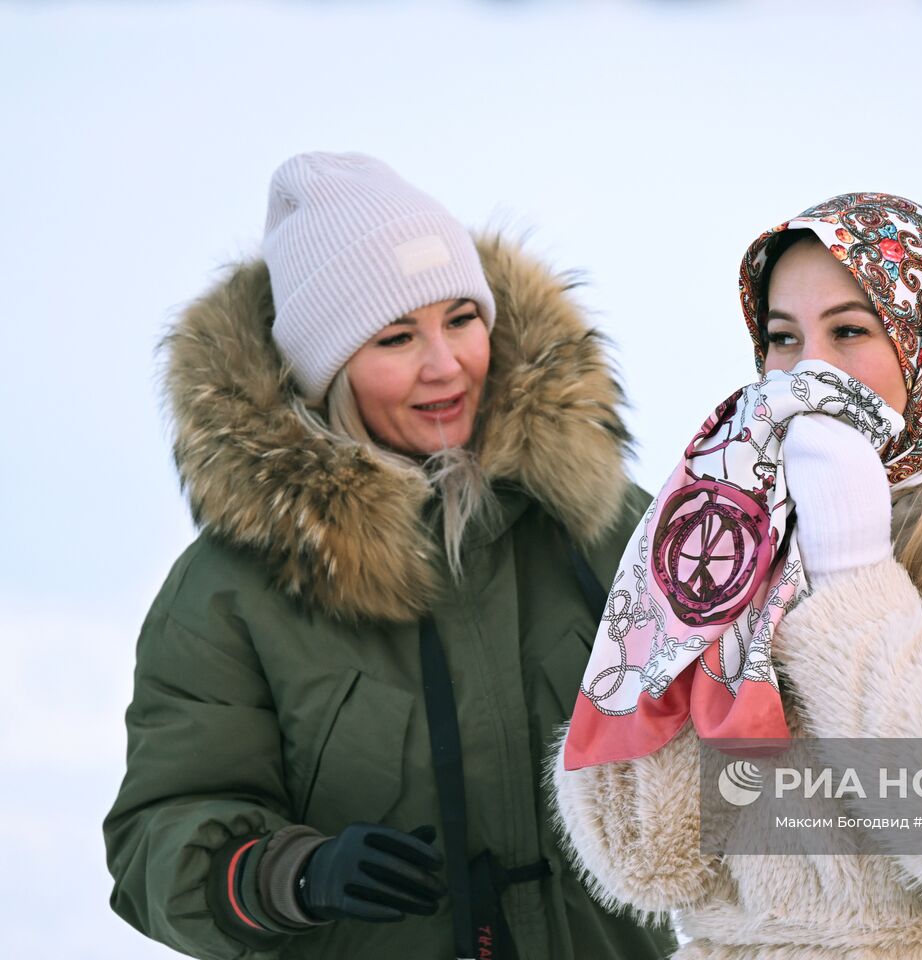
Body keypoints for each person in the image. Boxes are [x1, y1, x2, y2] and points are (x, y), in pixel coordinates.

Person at [551, 193, 922, 958]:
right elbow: (645, 856)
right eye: (783, 338)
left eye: (848, 331)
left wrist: (851, 576)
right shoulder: (749, 531)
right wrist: (669, 605)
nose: (809, 372)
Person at [103, 152, 676, 959]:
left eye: (462, 319)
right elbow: (155, 839)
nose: (445, 366)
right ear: (325, 371)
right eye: (396, 336)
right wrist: (288, 877)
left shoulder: (598, 522)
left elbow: (761, 729)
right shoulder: (231, 593)